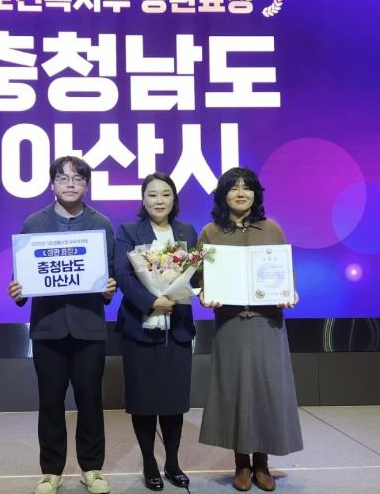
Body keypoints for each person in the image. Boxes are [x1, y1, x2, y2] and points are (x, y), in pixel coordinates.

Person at [8, 156, 117, 494]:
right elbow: (21, 276)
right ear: (52, 184)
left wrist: (109, 289)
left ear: (86, 185)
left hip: (89, 328)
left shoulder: (101, 223)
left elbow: (110, 273)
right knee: (50, 401)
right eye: (63, 177)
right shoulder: (34, 223)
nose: (70, 183)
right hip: (48, 328)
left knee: (90, 401)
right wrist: (17, 291)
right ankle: (51, 471)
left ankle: (92, 468)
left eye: (78, 178)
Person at [198, 167, 303, 492]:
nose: (241, 193)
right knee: (235, 391)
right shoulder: (210, 232)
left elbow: (286, 273)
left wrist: (291, 293)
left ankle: (262, 462)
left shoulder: (272, 229)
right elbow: (198, 277)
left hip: (267, 323)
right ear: (223, 195)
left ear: (256, 194)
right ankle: (241, 462)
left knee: (266, 391)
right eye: (234, 188)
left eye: (247, 188)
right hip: (230, 325)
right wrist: (204, 294)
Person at [114, 172, 198, 491]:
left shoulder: (186, 230)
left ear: (174, 199)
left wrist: (194, 289)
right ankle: (149, 463)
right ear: (143, 199)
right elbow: (123, 274)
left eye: (165, 194)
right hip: (140, 326)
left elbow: (195, 274)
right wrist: (152, 302)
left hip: (178, 326)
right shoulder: (127, 231)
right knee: (144, 401)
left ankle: (173, 463)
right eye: (152, 194)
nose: (159, 200)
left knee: (174, 401)